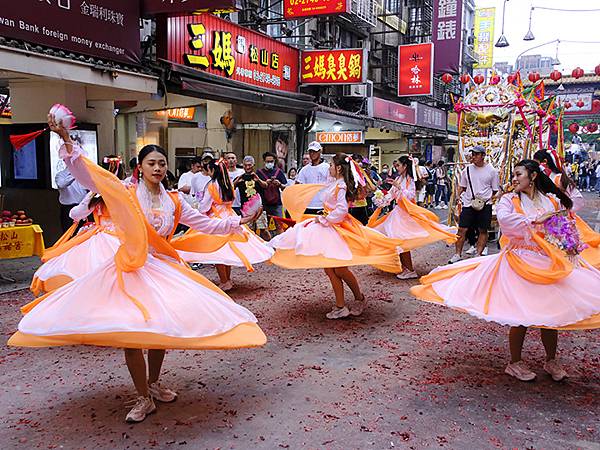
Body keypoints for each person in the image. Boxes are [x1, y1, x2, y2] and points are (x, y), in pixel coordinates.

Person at [9, 115, 266, 423]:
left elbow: (207, 223)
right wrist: (65, 137)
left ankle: (153, 383)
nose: (157, 168)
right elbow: (90, 177)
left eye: (161, 163)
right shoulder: (126, 194)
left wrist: (239, 222)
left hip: (164, 270)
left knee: (160, 329)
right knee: (132, 334)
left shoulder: (174, 201)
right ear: (140, 168)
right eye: (151, 163)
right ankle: (142, 396)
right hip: (130, 270)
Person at [410, 159, 600, 382]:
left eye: (519, 174)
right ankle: (515, 362)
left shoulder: (550, 200)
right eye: (514, 174)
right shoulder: (509, 200)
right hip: (520, 262)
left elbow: (563, 224)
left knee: (552, 312)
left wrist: (569, 244)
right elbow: (505, 221)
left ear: (533, 176)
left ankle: (551, 360)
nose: (515, 178)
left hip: (548, 263)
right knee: (520, 314)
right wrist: (535, 220)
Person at [269, 153, 403, 319]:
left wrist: (325, 219)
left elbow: (341, 210)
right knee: (331, 269)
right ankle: (342, 305)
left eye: (331, 165)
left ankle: (356, 299)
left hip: (337, 227)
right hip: (330, 226)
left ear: (338, 168)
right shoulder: (334, 183)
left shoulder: (341, 186)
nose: (329, 168)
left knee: (338, 268)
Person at [178, 159, 274, 292]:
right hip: (230, 214)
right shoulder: (228, 183)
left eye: (208, 169)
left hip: (216, 217)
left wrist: (199, 211)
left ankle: (224, 281)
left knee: (218, 251)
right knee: (227, 250)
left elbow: (204, 206)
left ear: (212, 170)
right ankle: (227, 279)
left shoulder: (211, 185)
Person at [368, 155, 457, 280]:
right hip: (398, 213)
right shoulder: (399, 178)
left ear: (405, 166)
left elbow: (410, 196)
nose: (396, 167)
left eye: (398, 165)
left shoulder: (409, 180)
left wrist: (398, 188)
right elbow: (391, 195)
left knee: (402, 241)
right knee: (396, 241)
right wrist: (381, 200)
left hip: (406, 215)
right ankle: (405, 267)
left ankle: (409, 269)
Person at [533, 149, 600, 267]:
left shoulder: (559, 179)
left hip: (562, 222)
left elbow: (578, 199)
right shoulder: (542, 178)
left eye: (536, 162)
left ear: (544, 162)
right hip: (546, 220)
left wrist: (564, 210)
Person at [448, 146, 499, 263]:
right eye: (473, 154)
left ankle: (478, 253)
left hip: (485, 204)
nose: (473, 157)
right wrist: (457, 196)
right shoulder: (467, 170)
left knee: (483, 230)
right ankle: (457, 254)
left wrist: (485, 199)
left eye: (476, 154)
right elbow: (463, 186)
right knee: (461, 229)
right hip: (468, 203)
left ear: (483, 156)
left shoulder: (492, 171)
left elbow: (495, 189)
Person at [233, 155, 270, 240]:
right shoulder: (240, 177)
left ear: (253, 165)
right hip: (246, 210)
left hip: (259, 208)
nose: (247, 167)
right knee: (248, 230)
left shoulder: (258, 175)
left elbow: (266, 185)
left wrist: (258, 180)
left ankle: (269, 246)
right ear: (243, 165)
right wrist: (237, 180)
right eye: (245, 165)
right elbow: (231, 188)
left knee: (264, 230)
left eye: (249, 165)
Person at [295, 141, 331, 214]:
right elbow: (298, 185)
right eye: (310, 152)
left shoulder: (327, 167)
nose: (312, 154)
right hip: (308, 205)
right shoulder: (304, 169)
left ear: (320, 152)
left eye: (314, 151)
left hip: (322, 205)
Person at [55, 166, 88, 232]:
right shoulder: (60, 175)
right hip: (68, 209)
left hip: (83, 207)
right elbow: (61, 184)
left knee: (84, 233)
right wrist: (74, 175)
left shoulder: (84, 174)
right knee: (69, 233)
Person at [256, 152, 287, 220]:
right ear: (264, 162)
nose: (269, 163)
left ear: (274, 161)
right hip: (263, 204)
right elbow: (256, 188)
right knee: (263, 226)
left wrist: (279, 184)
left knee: (280, 224)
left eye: (271, 161)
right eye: (267, 161)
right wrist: (264, 183)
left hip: (277, 203)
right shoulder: (259, 173)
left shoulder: (279, 172)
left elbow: (285, 188)